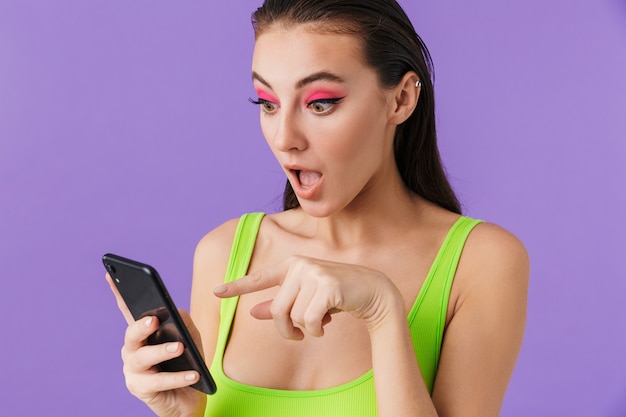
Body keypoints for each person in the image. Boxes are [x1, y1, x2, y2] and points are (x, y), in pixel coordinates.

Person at [107, 0, 529, 416]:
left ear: (400, 99)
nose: (284, 136)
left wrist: (383, 311)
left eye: (320, 103)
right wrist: (183, 414)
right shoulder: (224, 253)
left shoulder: (481, 262)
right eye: (268, 104)